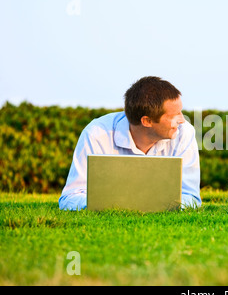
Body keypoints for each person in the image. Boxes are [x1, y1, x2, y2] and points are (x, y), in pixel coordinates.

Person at [59, 76, 201, 210]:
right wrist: (109, 205)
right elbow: (70, 197)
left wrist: (149, 205)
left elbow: (191, 197)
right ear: (147, 121)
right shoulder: (96, 134)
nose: (182, 120)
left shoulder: (184, 133)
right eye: (173, 115)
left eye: (180, 112)